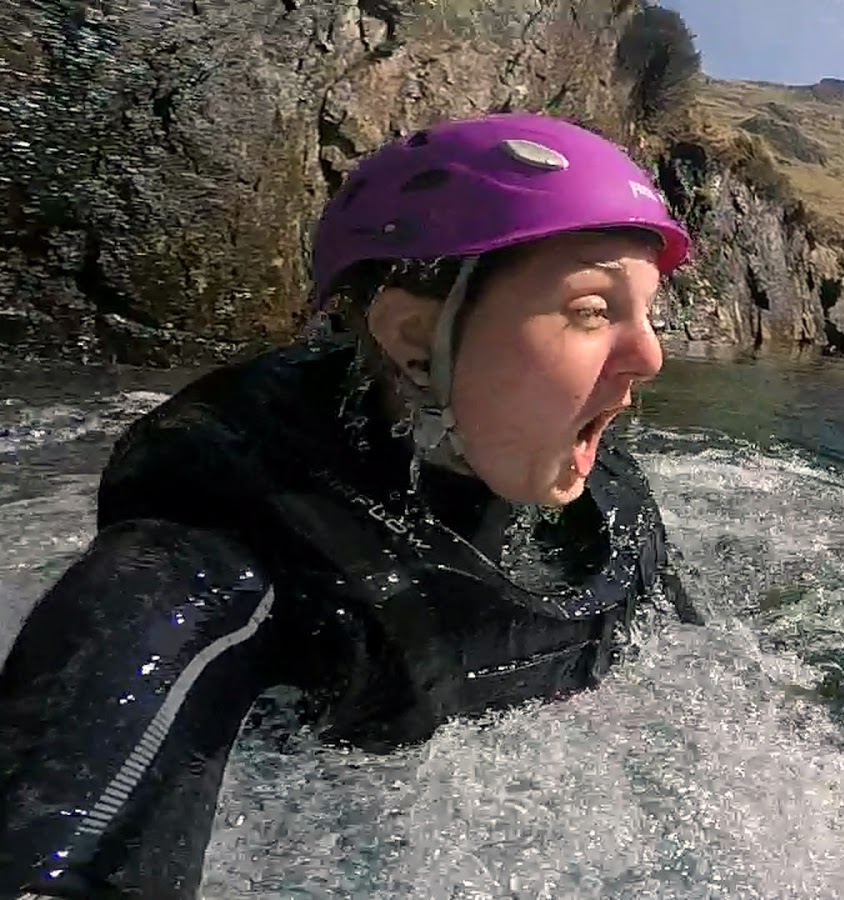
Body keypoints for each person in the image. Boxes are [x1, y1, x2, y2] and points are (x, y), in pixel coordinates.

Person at [0, 113, 705, 898]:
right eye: (593, 310)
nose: (651, 355)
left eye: (649, 314)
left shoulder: (604, 499)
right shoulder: (200, 566)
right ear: (413, 338)